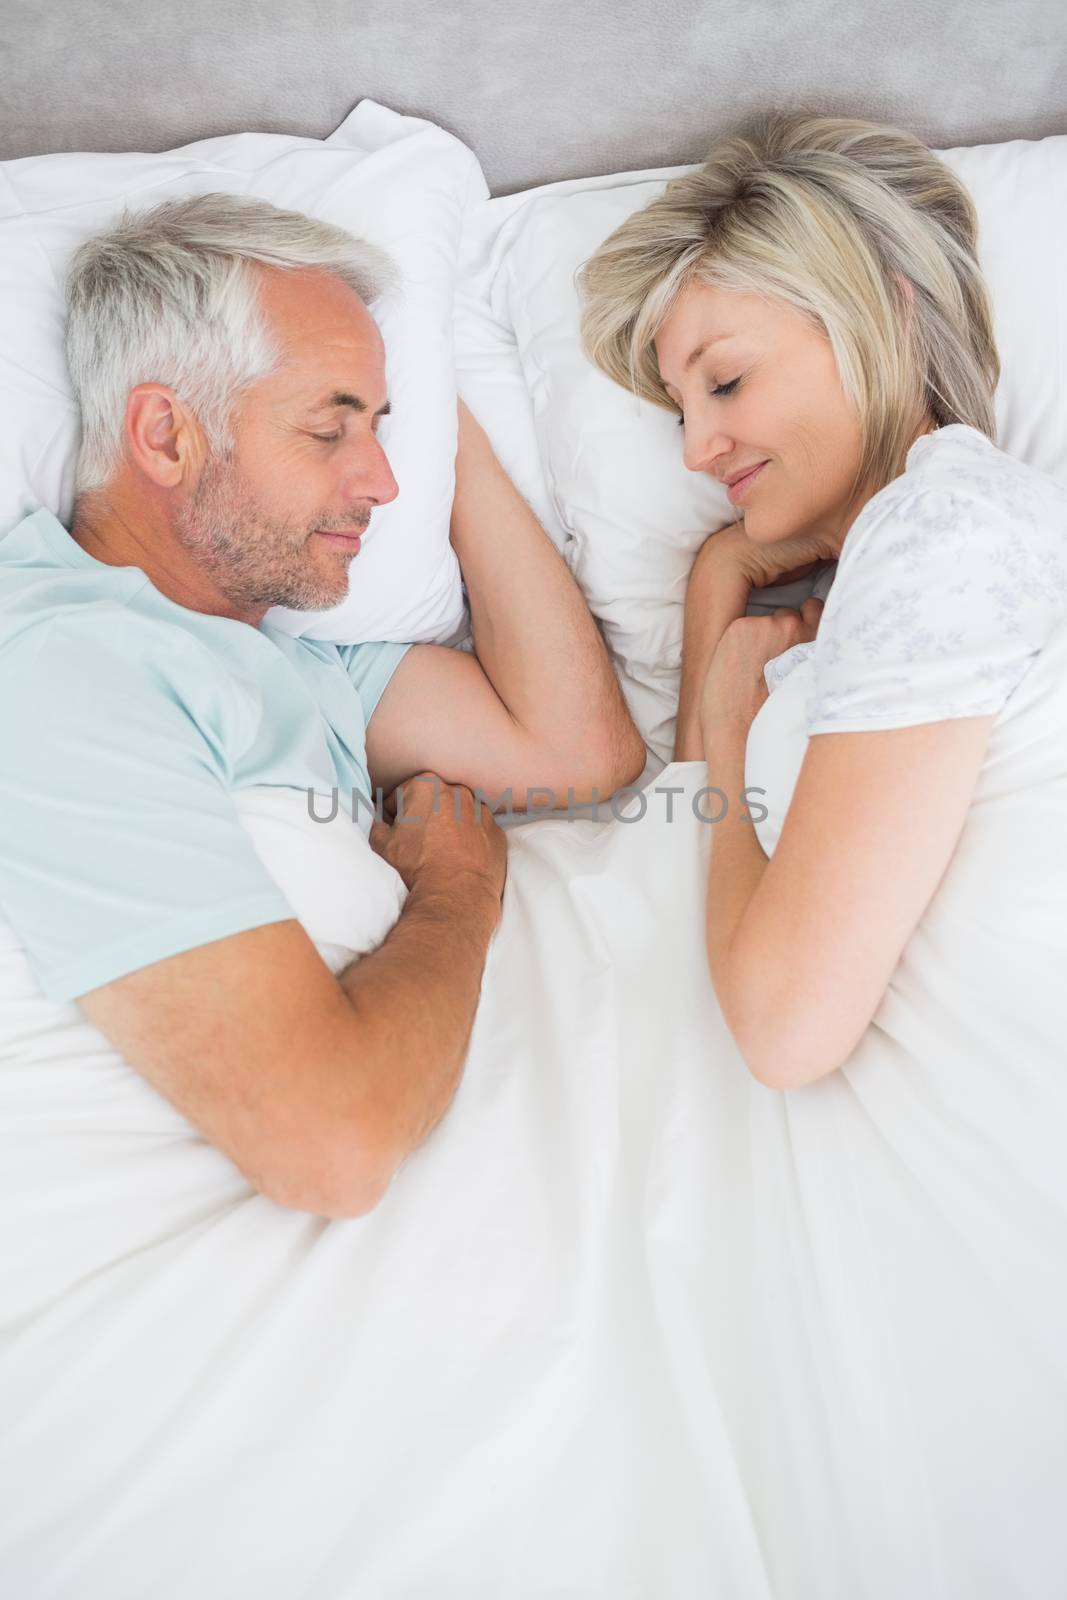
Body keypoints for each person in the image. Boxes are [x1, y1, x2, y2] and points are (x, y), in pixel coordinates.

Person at [0, 192, 645, 1219]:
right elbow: (329, 1151)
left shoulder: (291, 668)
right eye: (327, 427)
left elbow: (578, 749)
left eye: (385, 430)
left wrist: (443, 427)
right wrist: (455, 893)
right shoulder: (58, 664)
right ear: (165, 435)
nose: (384, 481)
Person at [577, 110, 1067, 1086]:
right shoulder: (897, 566)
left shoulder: (943, 536)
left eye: (723, 381)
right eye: (680, 411)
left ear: (878, 317)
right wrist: (717, 579)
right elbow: (684, 854)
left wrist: (723, 726)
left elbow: (779, 1028)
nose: (692, 449)